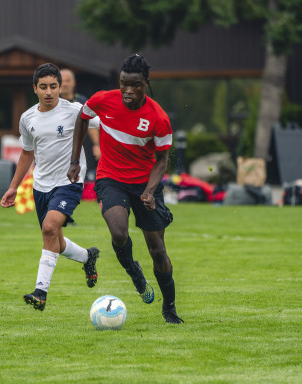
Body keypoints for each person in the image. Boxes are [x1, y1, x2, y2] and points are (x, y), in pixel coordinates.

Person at [67, 54, 184, 324]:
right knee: (119, 233)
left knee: (157, 249)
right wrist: (75, 160)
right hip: (111, 178)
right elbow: (82, 118)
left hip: (145, 183)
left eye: (135, 85)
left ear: (146, 83)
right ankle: (135, 274)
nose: (128, 90)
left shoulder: (158, 117)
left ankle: (169, 309)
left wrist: (149, 190)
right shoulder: (102, 99)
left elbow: (163, 159)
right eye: (123, 84)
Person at [1, 63, 100, 311]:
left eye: (53, 87)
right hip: (41, 185)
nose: (49, 92)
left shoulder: (76, 110)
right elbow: (26, 154)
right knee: (55, 239)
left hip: (69, 182)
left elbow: (107, 124)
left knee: (49, 227)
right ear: (35, 88)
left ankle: (40, 293)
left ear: (60, 87)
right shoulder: (28, 118)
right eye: (43, 87)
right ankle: (89, 257)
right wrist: (14, 187)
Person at [60, 68, 100, 172]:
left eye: (67, 81)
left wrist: (97, 145)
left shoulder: (82, 101)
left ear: (73, 83)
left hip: (83, 148)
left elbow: (92, 124)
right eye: (62, 81)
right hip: (61, 151)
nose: (64, 84)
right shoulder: (53, 103)